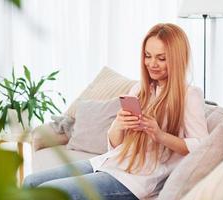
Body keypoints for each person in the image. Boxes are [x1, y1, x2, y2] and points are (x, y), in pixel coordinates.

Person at [23, 23, 209, 200]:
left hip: (136, 179)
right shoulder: (139, 90)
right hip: (110, 163)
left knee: (52, 193)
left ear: (176, 59)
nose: (152, 64)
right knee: (30, 182)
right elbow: (117, 144)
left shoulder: (189, 96)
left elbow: (202, 146)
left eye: (161, 58)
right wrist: (118, 125)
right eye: (147, 55)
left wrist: (159, 134)